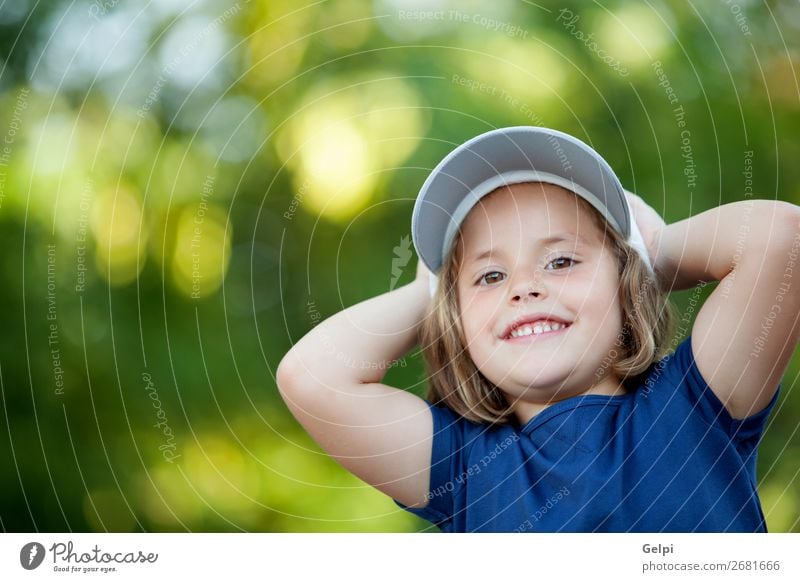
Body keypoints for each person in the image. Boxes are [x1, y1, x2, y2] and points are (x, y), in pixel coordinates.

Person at [276, 126, 799, 532]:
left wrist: (646, 259)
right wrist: (433, 295)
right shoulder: (465, 470)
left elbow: (782, 240)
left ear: (624, 283)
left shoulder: (692, 407)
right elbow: (312, 377)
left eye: (561, 261)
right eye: (491, 275)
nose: (522, 288)